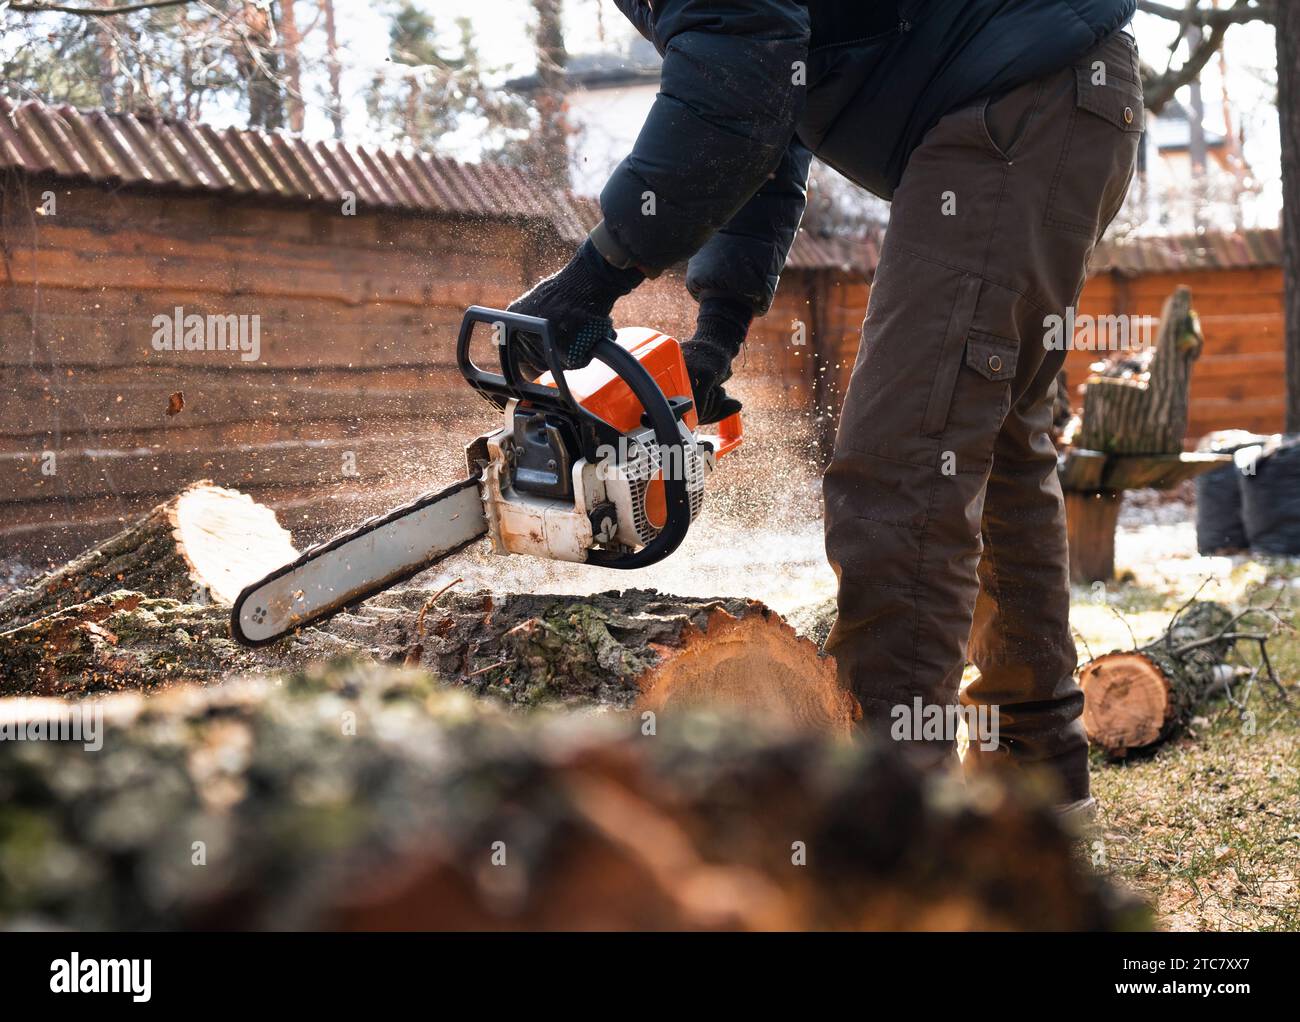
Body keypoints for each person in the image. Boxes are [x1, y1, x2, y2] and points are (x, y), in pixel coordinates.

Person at [509, 0, 1142, 819]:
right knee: (987, 449)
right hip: (1055, 95)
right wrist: (716, 333)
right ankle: (1034, 789)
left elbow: (738, 93)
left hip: (1024, 96)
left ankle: (885, 825)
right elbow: (768, 118)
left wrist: (596, 275)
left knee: (904, 462)